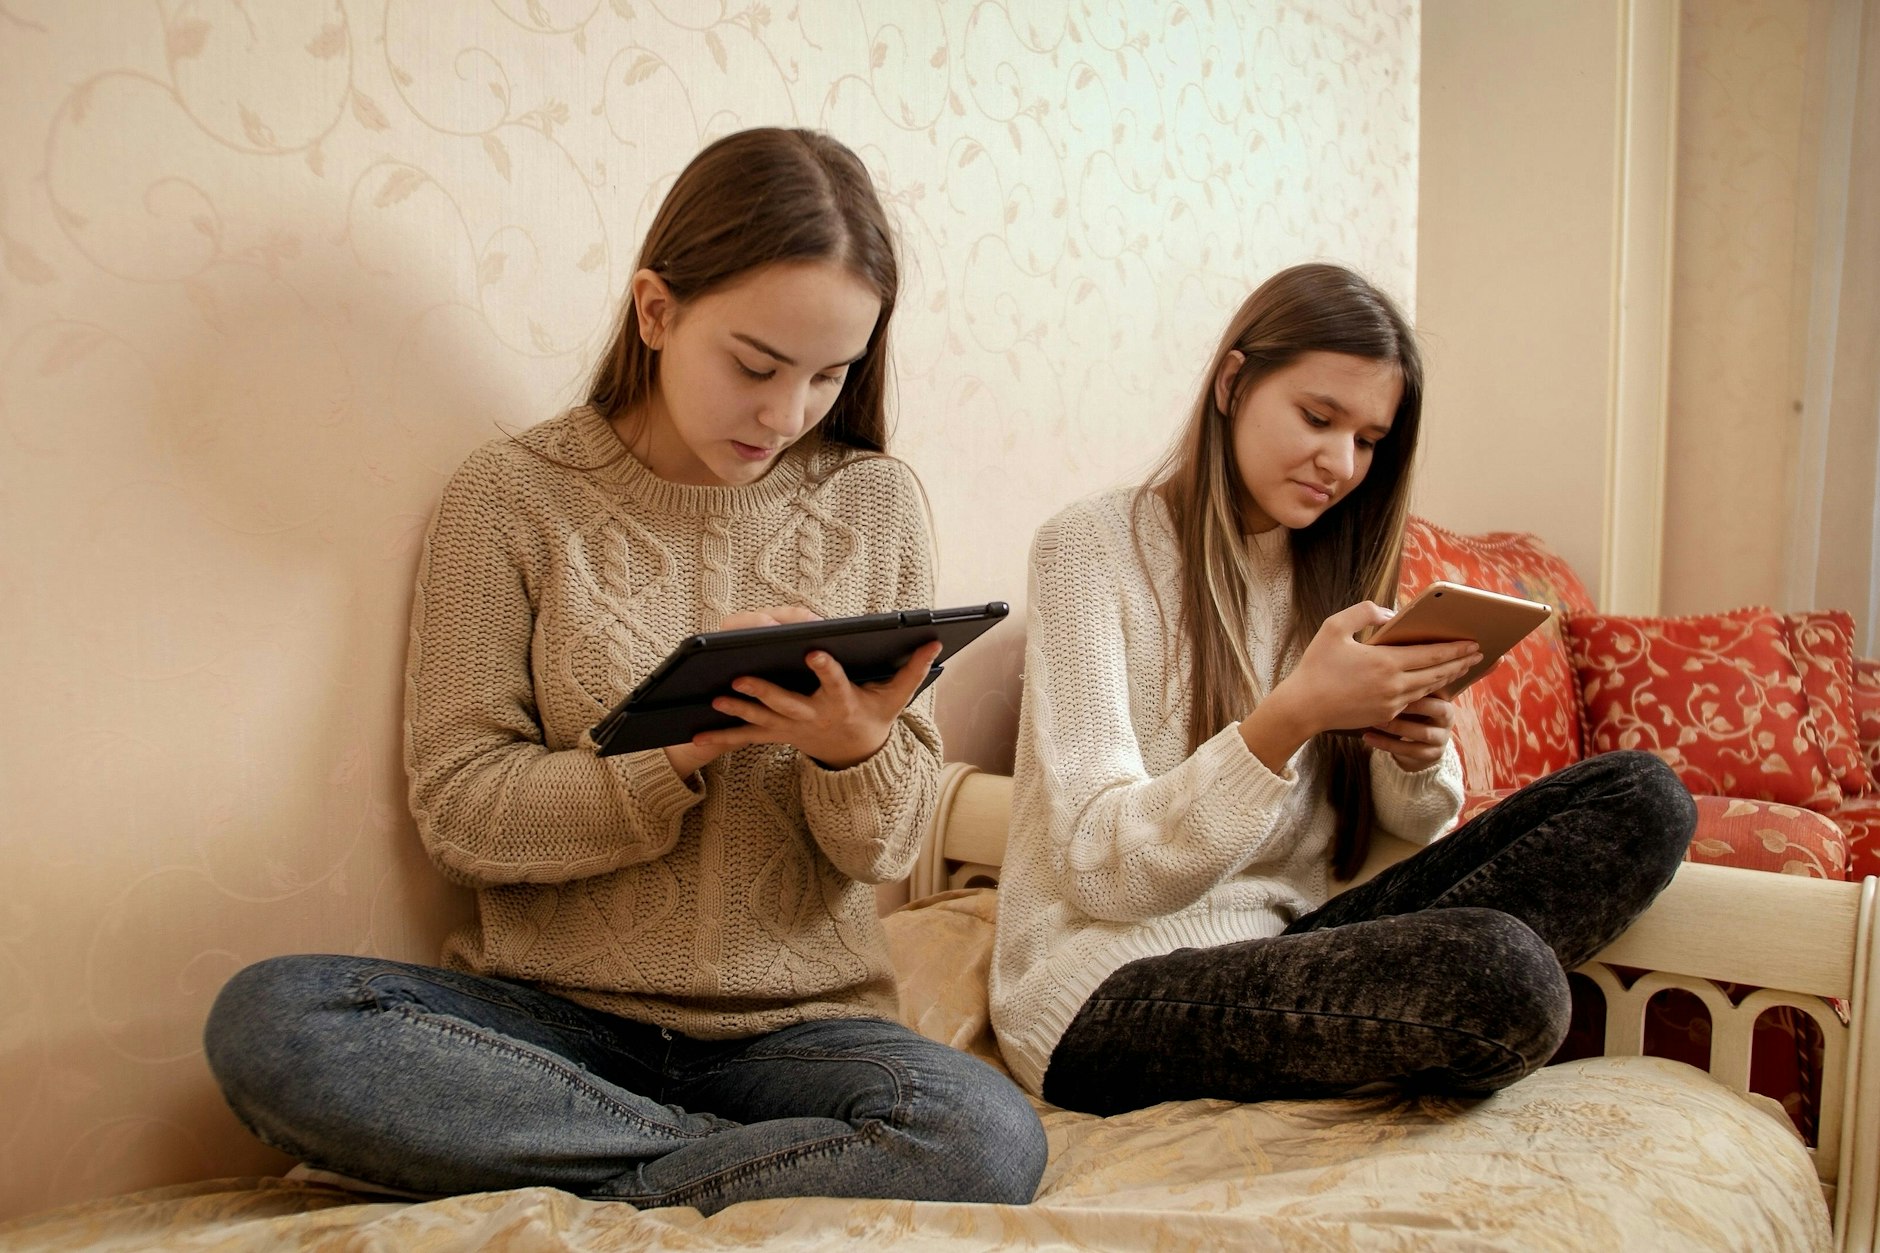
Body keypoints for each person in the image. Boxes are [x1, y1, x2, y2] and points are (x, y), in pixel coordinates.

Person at [204, 127, 1046, 1213]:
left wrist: (855, 748)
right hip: (552, 1025)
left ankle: (580, 1168)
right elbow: (462, 812)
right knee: (275, 1019)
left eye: (826, 378)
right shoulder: (509, 497)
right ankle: (722, 1164)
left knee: (981, 1134)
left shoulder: (871, 501)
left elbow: (882, 846)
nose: (785, 415)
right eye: (754, 365)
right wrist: (675, 749)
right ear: (656, 311)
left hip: (797, 1033)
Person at [989, 262, 1697, 1115]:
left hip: (1287, 946)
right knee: (1503, 973)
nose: (1341, 463)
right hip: (1102, 989)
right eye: (1318, 418)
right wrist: (1292, 716)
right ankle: (1425, 1027)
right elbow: (1101, 875)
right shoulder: (1088, 549)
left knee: (1643, 795)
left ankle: (1404, 1029)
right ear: (1233, 382)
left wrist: (1415, 753)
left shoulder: (1330, 570)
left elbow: (1409, 827)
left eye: (1367, 440)